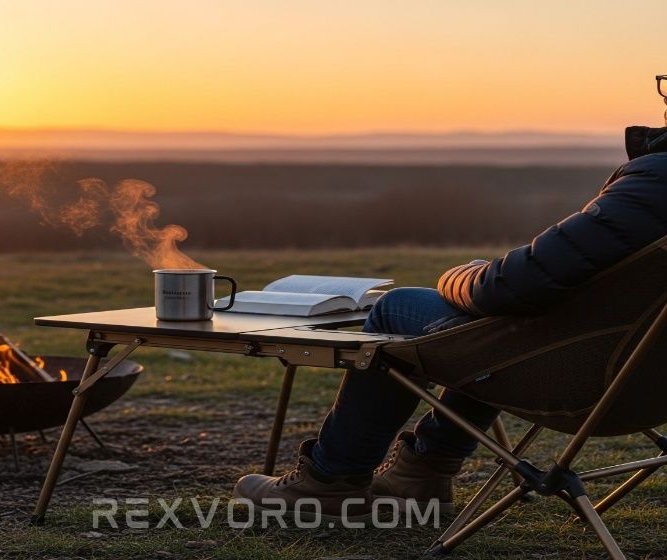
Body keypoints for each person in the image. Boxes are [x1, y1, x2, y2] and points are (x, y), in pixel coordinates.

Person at [233, 125, 667, 521]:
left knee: (398, 307)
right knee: (499, 328)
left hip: (584, 379)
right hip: (649, 388)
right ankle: (420, 470)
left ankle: (332, 480)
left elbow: (510, 287)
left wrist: (460, 275)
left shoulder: (657, 181)